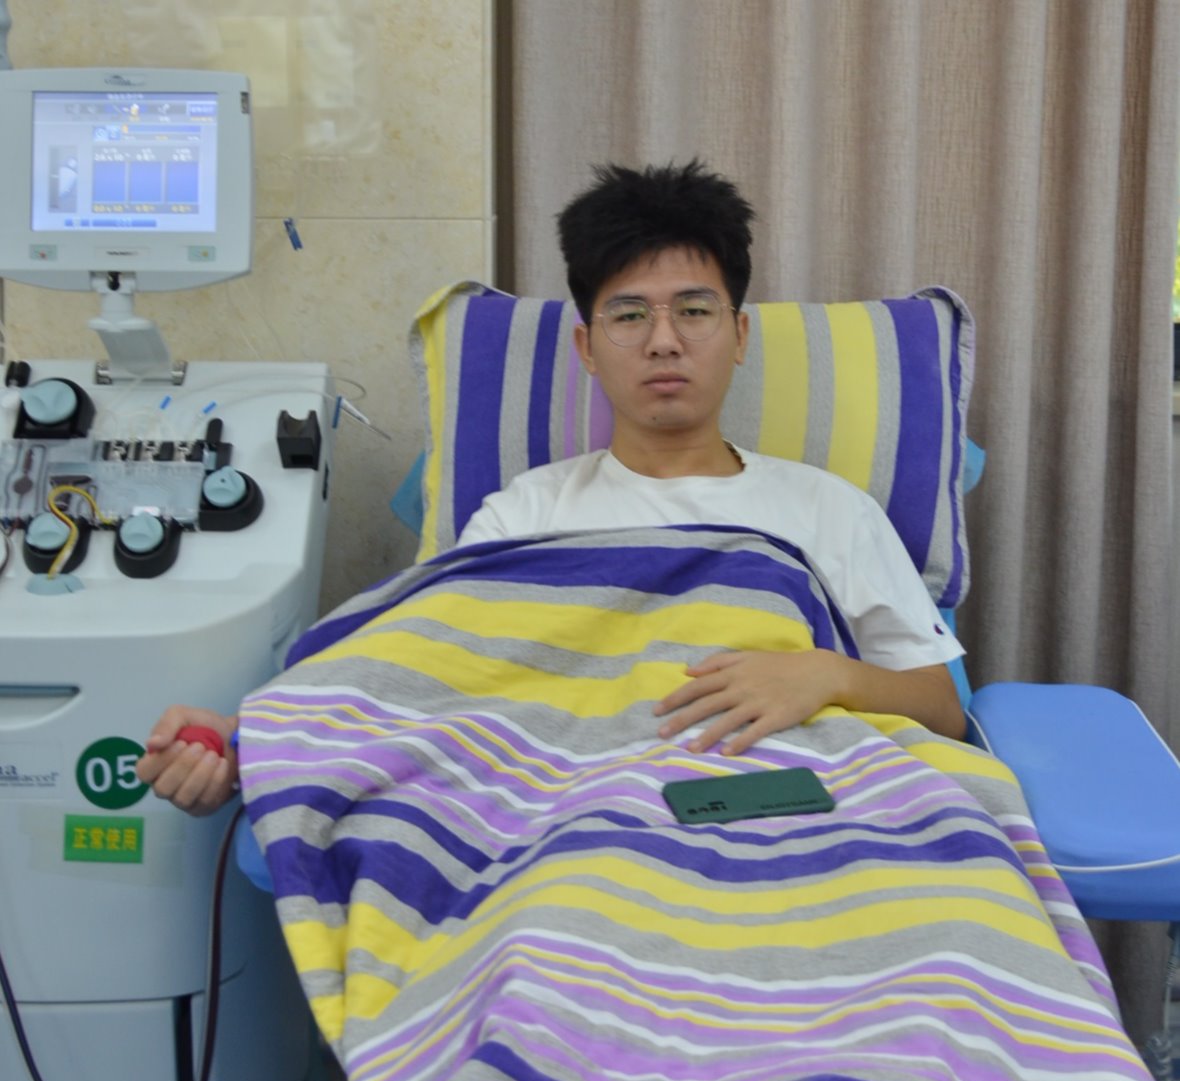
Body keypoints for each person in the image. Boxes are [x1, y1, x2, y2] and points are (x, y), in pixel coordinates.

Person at [137, 160, 965, 818]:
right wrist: (244, 743)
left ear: (739, 335)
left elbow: (940, 708)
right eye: (630, 315)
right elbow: (416, 670)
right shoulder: (528, 513)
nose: (664, 341)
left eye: (695, 311)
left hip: (773, 807)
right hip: (570, 806)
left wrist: (824, 675)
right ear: (586, 348)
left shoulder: (827, 508)